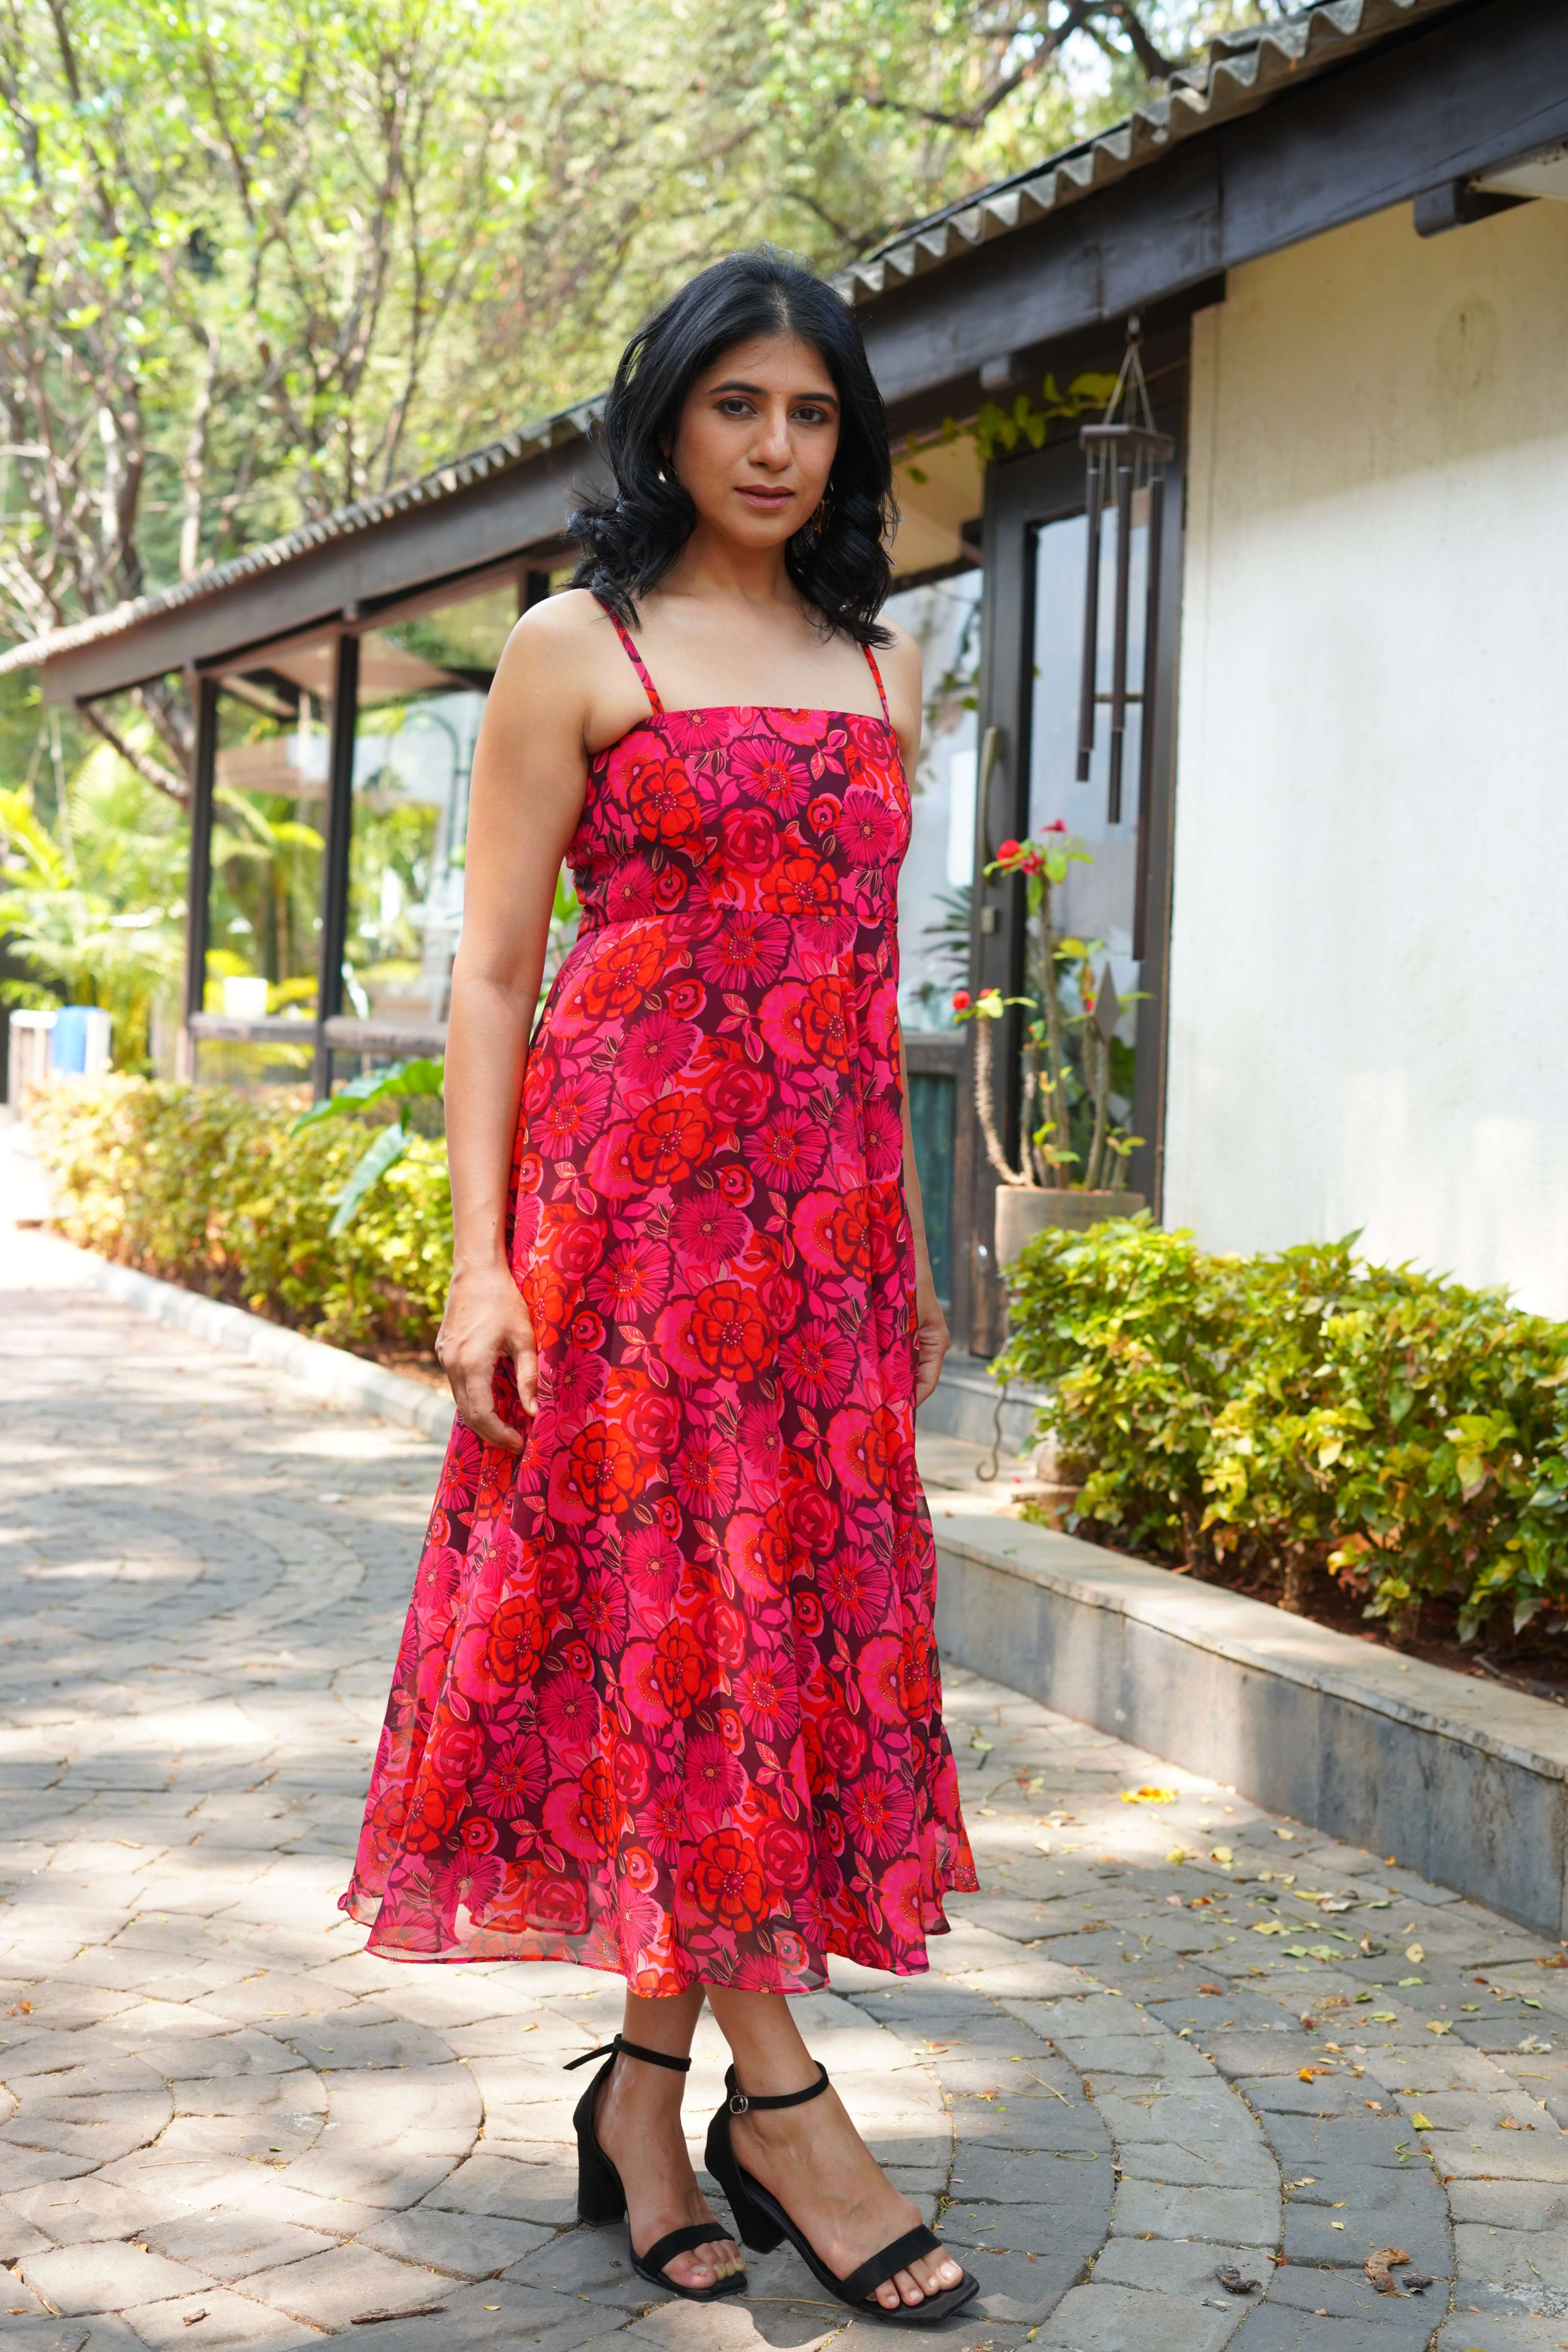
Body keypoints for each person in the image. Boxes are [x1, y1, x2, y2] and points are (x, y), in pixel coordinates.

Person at [341, 247, 980, 2324]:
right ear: (671, 421)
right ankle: (778, 2104)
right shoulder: (576, 643)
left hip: (816, 1246)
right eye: (738, 408)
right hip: (621, 1242)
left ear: (845, 438)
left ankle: (640, 2094)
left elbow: (869, 993)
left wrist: (903, 1250)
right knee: (661, 1633)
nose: (776, 447)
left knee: (741, 1655)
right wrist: (475, 1263)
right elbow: (498, 975)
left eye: (809, 414)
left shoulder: (886, 672)